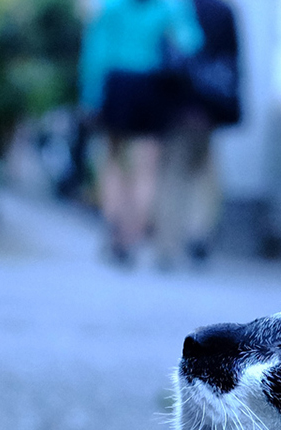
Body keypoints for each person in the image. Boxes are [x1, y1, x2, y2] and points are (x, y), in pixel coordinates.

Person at [80, 0, 202, 265]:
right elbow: (191, 42)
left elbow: (95, 54)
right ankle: (133, 235)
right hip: (152, 86)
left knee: (113, 160)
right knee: (147, 168)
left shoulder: (111, 8)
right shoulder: (169, 7)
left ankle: (114, 225)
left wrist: (90, 96)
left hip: (117, 84)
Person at [155, 0, 240, 269]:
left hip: (176, 104)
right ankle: (198, 232)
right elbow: (233, 61)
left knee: (172, 174)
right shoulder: (224, 11)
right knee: (205, 171)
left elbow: (160, 58)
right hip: (210, 104)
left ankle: (168, 245)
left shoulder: (172, 9)